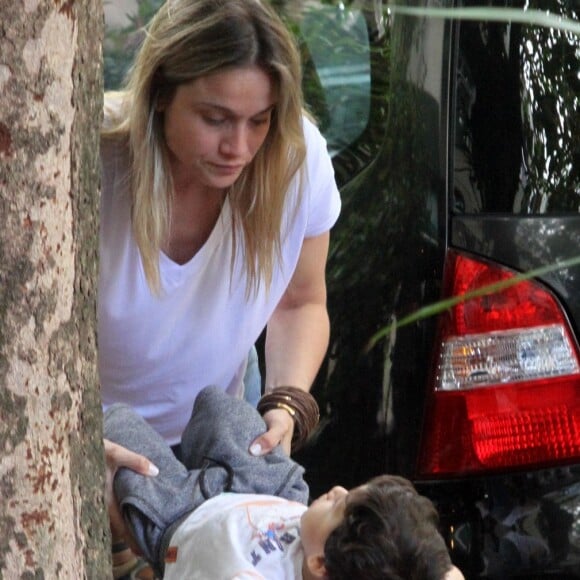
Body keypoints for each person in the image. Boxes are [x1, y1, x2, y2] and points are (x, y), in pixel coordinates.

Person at [99, 0, 342, 569]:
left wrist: (286, 402)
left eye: (260, 120)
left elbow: (302, 302)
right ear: (160, 95)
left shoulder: (296, 158)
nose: (239, 146)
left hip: (217, 428)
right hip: (102, 447)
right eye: (215, 118)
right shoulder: (95, 162)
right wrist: (73, 449)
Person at [105, 385, 465, 580]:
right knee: (221, 407)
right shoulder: (326, 545)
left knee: (117, 425)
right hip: (266, 496)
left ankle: (123, 547)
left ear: (320, 565)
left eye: (337, 506)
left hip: (180, 524)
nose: (337, 490)